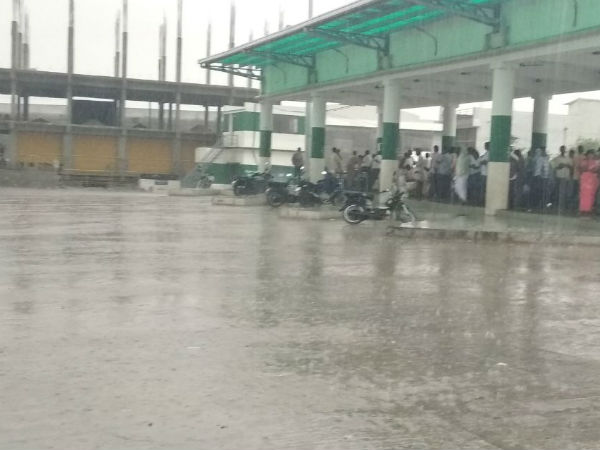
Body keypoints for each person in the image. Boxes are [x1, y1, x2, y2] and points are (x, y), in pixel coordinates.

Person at [551, 145, 573, 214]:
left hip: (566, 177)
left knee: (564, 192)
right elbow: (554, 167)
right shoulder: (557, 159)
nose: (563, 150)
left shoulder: (568, 159)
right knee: (558, 192)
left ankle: (562, 206)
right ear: (560, 150)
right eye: (562, 149)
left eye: (564, 149)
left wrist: (567, 166)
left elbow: (571, 168)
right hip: (559, 177)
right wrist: (559, 166)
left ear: (565, 150)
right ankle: (557, 206)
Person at [579, 150, 599, 215]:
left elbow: (597, 170)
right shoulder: (584, 161)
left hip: (593, 180)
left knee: (591, 195)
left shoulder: (596, 162)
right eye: (589, 154)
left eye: (592, 154)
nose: (590, 155)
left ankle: (589, 209)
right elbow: (581, 169)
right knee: (584, 195)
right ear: (587, 155)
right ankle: (583, 209)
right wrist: (588, 169)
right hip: (585, 179)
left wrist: (593, 170)